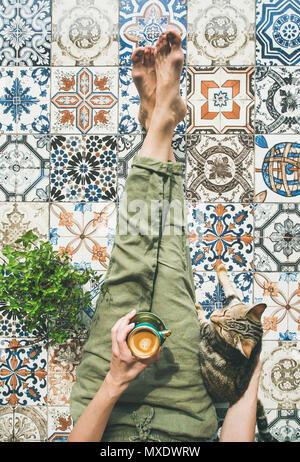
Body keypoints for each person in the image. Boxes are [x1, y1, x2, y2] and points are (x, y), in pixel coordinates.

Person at [68, 31, 262, 443]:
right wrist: (253, 367)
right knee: (169, 255)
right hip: (183, 407)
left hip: (104, 401)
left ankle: (159, 122)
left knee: (132, 260)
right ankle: (158, 123)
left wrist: (115, 382)